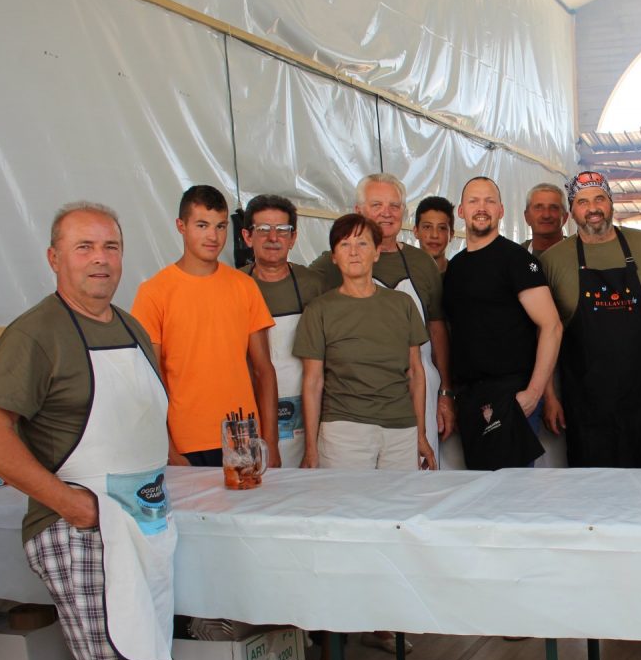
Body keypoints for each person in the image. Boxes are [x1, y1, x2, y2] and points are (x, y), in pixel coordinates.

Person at [0, 202, 180, 660]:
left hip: (137, 520)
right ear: (54, 257)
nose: (100, 259)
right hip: (80, 526)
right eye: (84, 247)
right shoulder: (36, 333)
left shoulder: (130, 326)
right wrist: (66, 502)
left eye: (110, 246)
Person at [541, 170, 641, 468]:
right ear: (571, 211)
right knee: (595, 484)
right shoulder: (553, 261)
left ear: (611, 203)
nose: (592, 208)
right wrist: (548, 396)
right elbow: (543, 333)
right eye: (583, 202)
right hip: (587, 404)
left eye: (600, 199)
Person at [311, 173, 454, 466]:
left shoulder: (422, 262)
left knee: (415, 478)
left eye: (394, 206)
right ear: (358, 210)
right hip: (355, 399)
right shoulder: (331, 263)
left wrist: (445, 392)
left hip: (418, 387)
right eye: (377, 205)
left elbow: (437, 329)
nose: (386, 213)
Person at [132, 185, 279, 468]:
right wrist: (169, 450)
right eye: (202, 225)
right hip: (185, 442)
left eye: (220, 226)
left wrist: (270, 442)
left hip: (242, 437)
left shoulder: (245, 286)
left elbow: (263, 369)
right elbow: (148, 381)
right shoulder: (154, 292)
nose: (213, 236)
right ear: (181, 226)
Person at [294, 213, 433, 472]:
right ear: (334, 256)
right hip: (344, 431)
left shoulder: (402, 304)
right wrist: (311, 448)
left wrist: (421, 435)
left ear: (377, 252)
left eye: (362, 243)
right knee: (348, 498)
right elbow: (312, 382)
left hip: (401, 429)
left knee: (401, 497)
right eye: (344, 244)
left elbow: (416, 373)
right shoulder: (319, 310)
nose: (354, 252)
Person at [443, 177, 562, 469]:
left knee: (513, 491)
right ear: (461, 211)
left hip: (511, 394)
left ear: (501, 210)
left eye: (489, 201)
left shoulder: (516, 259)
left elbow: (551, 326)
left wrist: (534, 393)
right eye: (474, 201)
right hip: (470, 397)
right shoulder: (455, 267)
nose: (481, 208)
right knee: (480, 490)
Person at [240, 194, 324, 467]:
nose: (273, 237)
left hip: (305, 409)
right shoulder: (233, 284)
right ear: (247, 236)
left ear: (293, 237)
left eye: (282, 230)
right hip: (250, 407)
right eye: (263, 229)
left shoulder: (313, 284)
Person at [522, 183, 570, 257]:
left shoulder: (580, 253)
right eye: (538, 207)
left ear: (565, 217)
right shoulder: (514, 256)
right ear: (527, 217)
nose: (546, 215)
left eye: (553, 208)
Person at [414, 195, 455, 273]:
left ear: (451, 234)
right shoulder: (402, 274)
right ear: (416, 231)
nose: (434, 235)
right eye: (427, 227)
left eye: (442, 228)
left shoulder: (461, 275)